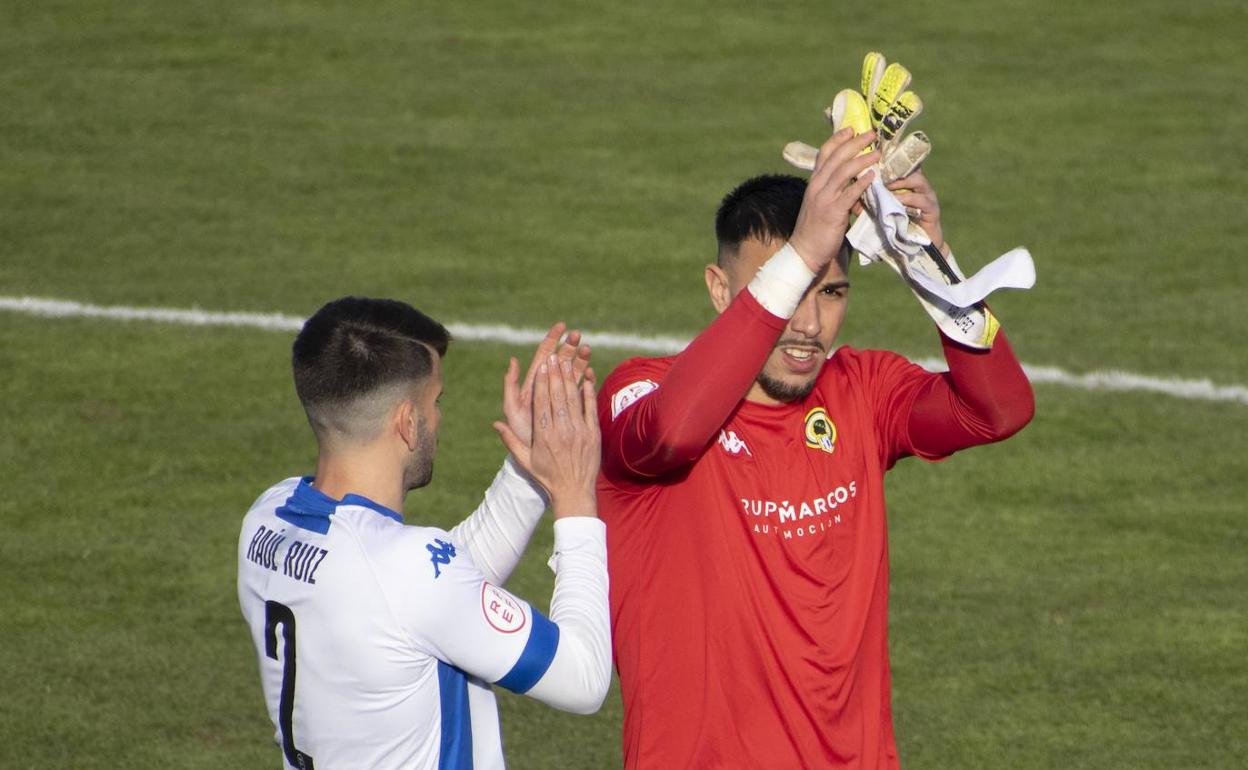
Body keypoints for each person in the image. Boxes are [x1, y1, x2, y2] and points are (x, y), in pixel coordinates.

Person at [596, 129, 1035, 768]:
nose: (807, 325)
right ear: (720, 290)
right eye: (787, 285)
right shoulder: (638, 391)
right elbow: (673, 432)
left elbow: (1000, 409)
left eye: (830, 292)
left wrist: (930, 260)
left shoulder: (862, 391)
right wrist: (805, 250)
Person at [238, 297, 610, 770]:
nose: (438, 419)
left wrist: (527, 470)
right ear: (406, 422)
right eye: (436, 402)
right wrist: (575, 498)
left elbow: (429, 597)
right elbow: (584, 676)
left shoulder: (266, 519)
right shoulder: (406, 574)